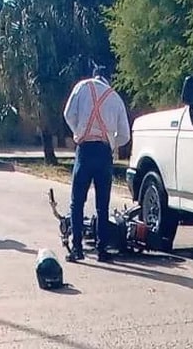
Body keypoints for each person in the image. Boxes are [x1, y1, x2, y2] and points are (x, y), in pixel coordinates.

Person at [62, 64, 131, 263]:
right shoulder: (115, 97)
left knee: (77, 202)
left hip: (84, 150)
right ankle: (102, 250)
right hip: (103, 153)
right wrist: (110, 143)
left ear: (94, 76)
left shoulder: (82, 87)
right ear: (108, 78)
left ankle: (77, 249)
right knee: (103, 205)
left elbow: (68, 114)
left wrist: (78, 132)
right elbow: (124, 135)